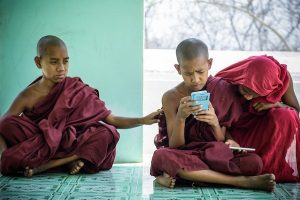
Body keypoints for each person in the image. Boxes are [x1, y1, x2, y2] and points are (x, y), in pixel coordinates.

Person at [0, 35, 160, 177]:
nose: (61, 68)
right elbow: (3, 126)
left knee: (107, 132)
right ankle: (67, 161)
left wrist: (142, 120)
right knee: (8, 123)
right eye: (54, 62)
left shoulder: (75, 88)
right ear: (38, 62)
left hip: (70, 143)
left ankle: (51, 164)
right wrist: (3, 157)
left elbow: (111, 119)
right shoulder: (28, 95)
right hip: (41, 142)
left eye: (66, 61)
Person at [150, 38, 276, 192]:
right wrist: (181, 118)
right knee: (162, 156)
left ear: (209, 64)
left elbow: (220, 141)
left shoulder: (222, 89)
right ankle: (241, 182)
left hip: (213, 153)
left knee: (254, 162)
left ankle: (187, 176)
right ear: (178, 69)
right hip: (185, 153)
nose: (195, 79)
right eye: (188, 73)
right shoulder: (171, 97)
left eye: (200, 72)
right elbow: (175, 146)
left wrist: (215, 123)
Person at [215, 55, 300, 182]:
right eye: (244, 90)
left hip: (265, 131)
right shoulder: (225, 82)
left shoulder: (281, 79)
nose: (248, 98)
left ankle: (272, 169)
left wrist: (276, 104)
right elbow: (218, 120)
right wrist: (231, 141)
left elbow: (296, 111)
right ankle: (255, 169)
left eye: (256, 94)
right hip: (235, 133)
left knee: (286, 114)